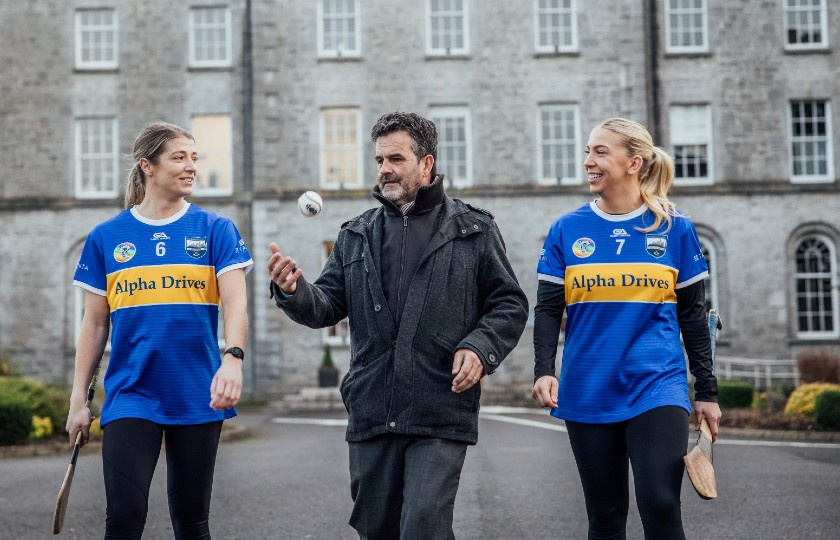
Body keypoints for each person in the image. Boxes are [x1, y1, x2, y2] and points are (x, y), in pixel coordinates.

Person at [268, 111, 528, 540]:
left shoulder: (473, 230)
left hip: (439, 406)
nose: (385, 169)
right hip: (372, 406)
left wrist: (481, 348)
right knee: (377, 530)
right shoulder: (356, 235)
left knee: (423, 524)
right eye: (379, 160)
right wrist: (293, 290)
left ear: (426, 164)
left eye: (396, 158)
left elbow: (509, 303)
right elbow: (326, 305)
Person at [532, 117, 721, 539]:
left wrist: (706, 392)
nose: (588, 161)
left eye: (600, 151)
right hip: (587, 387)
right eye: (587, 151)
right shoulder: (567, 229)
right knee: (605, 514)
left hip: (657, 384)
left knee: (660, 503)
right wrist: (544, 368)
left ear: (634, 162)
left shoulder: (675, 228)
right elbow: (547, 309)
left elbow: (693, 315)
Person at [65, 121, 253, 539]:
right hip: (132, 394)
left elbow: (236, 304)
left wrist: (232, 360)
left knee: (191, 522)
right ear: (147, 165)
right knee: (125, 517)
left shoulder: (215, 230)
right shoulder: (107, 238)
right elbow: (95, 324)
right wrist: (79, 399)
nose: (191, 167)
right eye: (179, 157)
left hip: (197, 393)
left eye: (194, 158)